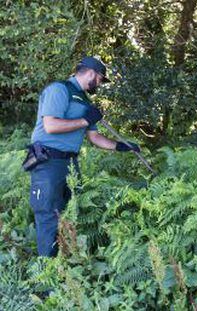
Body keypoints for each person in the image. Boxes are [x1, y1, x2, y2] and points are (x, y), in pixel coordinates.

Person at [28, 56, 139, 257]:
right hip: (48, 162)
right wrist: (84, 120)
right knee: (48, 216)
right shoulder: (59, 90)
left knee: (70, 212)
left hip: (70, 163)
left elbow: (94, 137)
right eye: (100, 79)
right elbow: (51, 126)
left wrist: (121, 146)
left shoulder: (87, 102)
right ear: (90, 73)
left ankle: (65, 264)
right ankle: (46, 278)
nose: (99, 84)